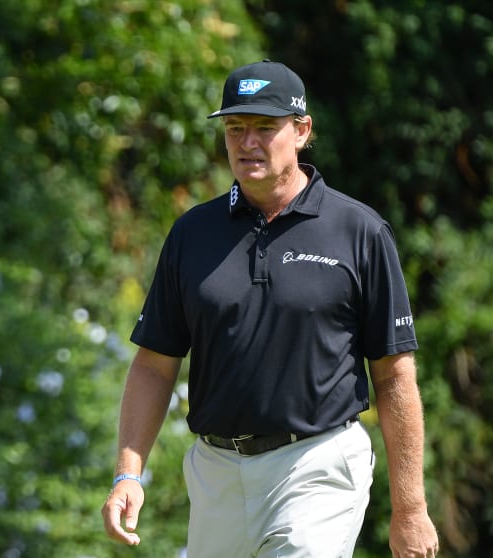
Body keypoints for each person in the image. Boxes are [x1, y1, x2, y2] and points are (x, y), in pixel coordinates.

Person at [101, 60, 440, 557]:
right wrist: (128, 473)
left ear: (301, 131)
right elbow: (154, 363)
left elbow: (393, 376)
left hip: (317, 464)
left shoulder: (359, 232)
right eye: (235, 128)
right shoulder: (192, 234)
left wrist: (410, 508)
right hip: (216, 473)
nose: (247, 142)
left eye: (264, 127)